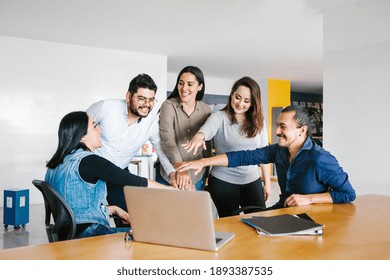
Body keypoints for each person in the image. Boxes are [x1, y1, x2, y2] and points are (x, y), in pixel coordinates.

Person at [178, 105, 356, 209]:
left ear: (302, 130)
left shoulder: (320, 159)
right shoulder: (278, 150)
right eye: (277, 125)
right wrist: (202, 162)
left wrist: (309, 198)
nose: (277, 131)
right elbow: (242, 157)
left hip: (313, 220)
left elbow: (348, 194)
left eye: (283, 127)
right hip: (285, 212)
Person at [45, 111, 172, 238]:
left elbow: (75, 207)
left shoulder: (56, 164)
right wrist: (172, 189)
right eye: (94, 126)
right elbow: (136, 181)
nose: (100, 130)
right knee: (153, 236)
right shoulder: (89, 161)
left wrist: (114, 208)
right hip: (90, 234)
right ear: (82, 136)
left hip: (67, 235)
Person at [86, 74, 191, 226]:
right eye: (141, 98)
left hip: (119, 174)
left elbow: (162, 152)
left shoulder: (152, 123)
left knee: (131, 218)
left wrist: (173, 173)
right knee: (90, 219)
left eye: (151, 99)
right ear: (128, 96)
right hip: (92, 173)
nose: (147, 104)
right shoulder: (105, 107)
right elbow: (77, 130)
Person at [181, 77, 271, 217]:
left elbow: (263, 154)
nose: (240, 103)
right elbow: (208, 129)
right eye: (237, 97)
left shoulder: (259, 122)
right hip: (223, 182)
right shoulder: (219, 117)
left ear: (253, 102)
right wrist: (200, 136)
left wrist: (267, 182)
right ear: (232, 94)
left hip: (252, 180)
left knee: (260, 222)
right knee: (231, 224)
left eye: (246, 101)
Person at [158, 66, 212, 190]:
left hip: (196, 175)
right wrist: (180, 168)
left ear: (200, 86)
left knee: (192, 209)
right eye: (181, 83)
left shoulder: (206, 109)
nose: (184, 88)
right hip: (170, 174)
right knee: (166, 209)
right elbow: (167, 140)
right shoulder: (168, 105)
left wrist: (207, 171)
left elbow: (207, 144)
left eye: (190, 84)